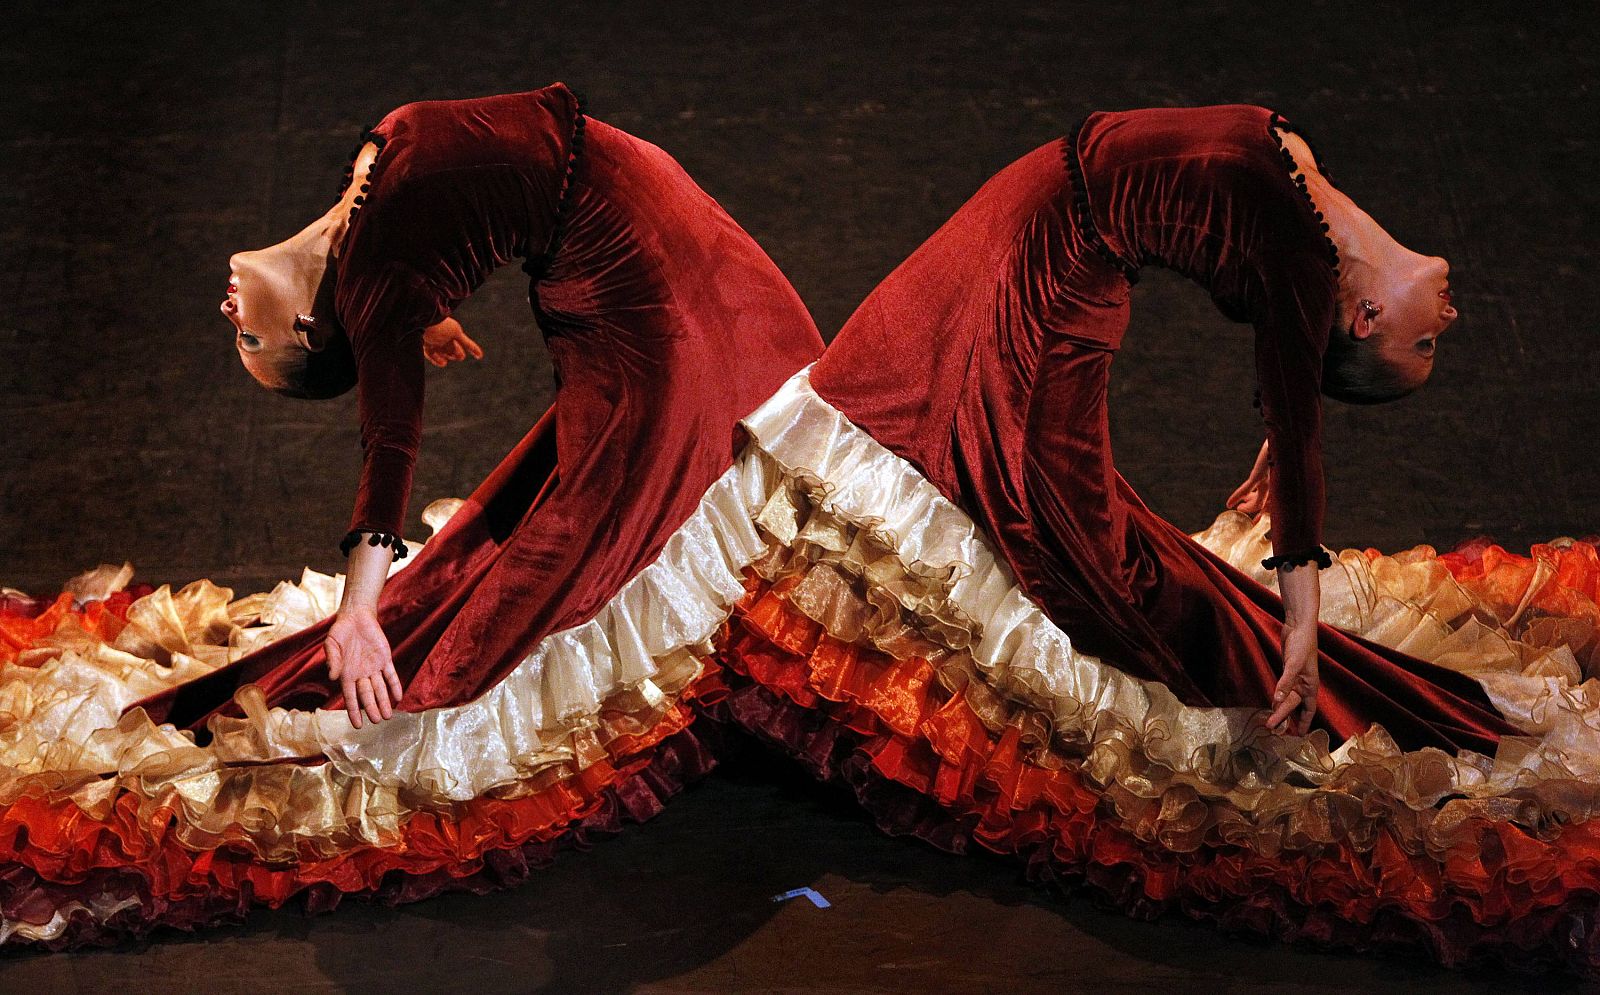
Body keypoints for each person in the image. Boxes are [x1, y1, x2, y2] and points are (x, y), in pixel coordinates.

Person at [700, 104, 1600, 970]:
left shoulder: (1308, 256)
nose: (1450, 319)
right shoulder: (1314, 225)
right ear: (1360, 318)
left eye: (1426, 345)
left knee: (1088, 554)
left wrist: (1297, 626)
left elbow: (1296, 404)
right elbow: (1293, 401)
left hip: (1048, 267)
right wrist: (1290, 486)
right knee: (1069, 539)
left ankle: (1198, 658)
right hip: (1035, 241)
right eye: (1433, 345)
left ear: (1362, 316)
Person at [0, 82, 824, 947]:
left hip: (645, 224)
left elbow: (427, 206)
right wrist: (360, 610)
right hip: (633, 262)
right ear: (317, 326)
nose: (229, 316)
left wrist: (416, 308)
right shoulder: (374, 284)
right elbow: (389, 447)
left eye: (240, 340)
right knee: (584, 535)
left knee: (623, 500)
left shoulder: (369, 260)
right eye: (250, 339)